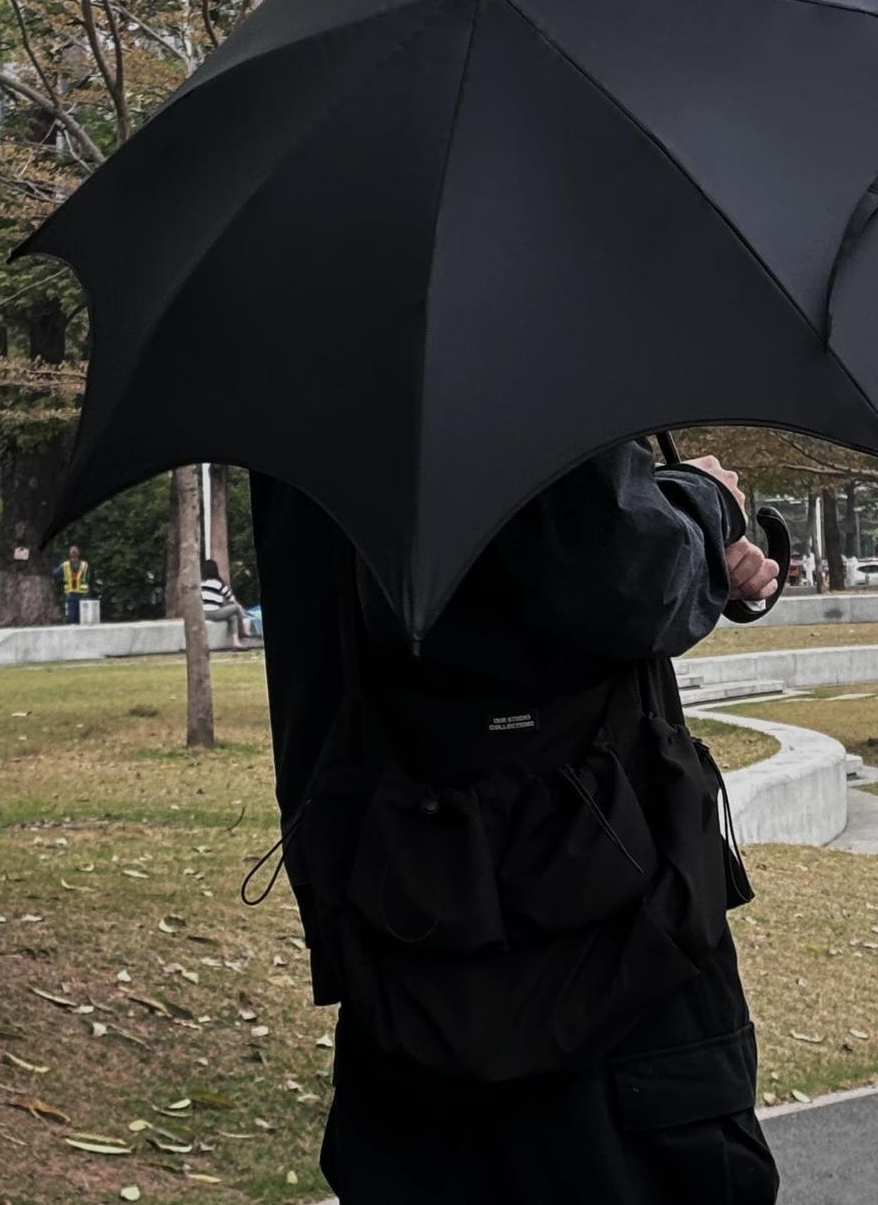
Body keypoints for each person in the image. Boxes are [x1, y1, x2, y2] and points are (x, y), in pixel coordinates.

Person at [252, 439, 782, 1205]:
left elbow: (312, 676)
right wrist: (703, 503)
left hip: (400, 935)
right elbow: (619, 575)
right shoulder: (514, 356)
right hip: (610, 956)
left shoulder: (304, 386)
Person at [200, 558, 251, 648]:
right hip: (215, 612)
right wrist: (241, 609)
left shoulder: (201, 584)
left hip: (204, 614)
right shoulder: (218, 584)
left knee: (233, 616)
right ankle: (245, 629)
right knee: (236, 607)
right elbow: (231, 599)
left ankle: (236, 642)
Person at [58, 544, 91, 624]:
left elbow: (88, 578)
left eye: (74, 550)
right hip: (72, 594)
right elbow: (56, 574)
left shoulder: (84, 565)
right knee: (72, 617)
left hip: (80, 594)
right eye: (72, 551)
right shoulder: (65, 565)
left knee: (80, 616)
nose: (73, 552)